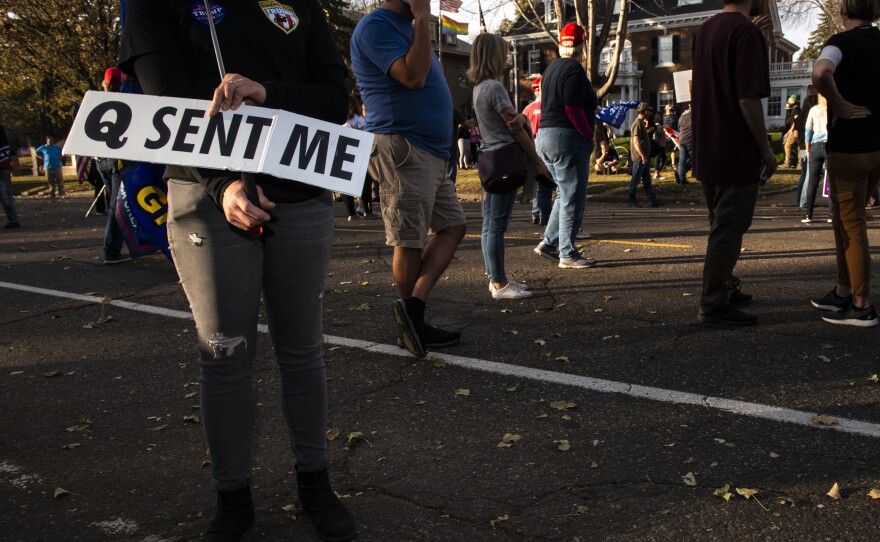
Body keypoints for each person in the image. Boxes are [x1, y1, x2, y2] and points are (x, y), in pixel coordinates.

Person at [119, 2, 357, 541]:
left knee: (303, 349)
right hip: (206, 196)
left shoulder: (300, 5)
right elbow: (166, 105)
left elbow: (334, 100)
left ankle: (315, 483)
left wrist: (265, 91)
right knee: (224, 352)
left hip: (300, 191)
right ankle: (233, 498)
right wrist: (223, 181)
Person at [351, 0, 468, 358]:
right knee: (410, 239)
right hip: (402, 146)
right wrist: (421, 19)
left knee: (453, 225)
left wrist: (419, 23)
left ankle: (413, 310)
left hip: (430, 151)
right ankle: (411, 324)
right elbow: (413, 77)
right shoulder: (376, 27)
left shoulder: (411, 28)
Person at [692, 0, 776, 326]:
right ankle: (713, 304)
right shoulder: (746, 33)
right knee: (728, 230)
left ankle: (726, 286)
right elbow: (747, 97)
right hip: (734, 148)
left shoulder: (705, 30)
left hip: (706, 146)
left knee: (723, 226)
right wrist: (765, 149)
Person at [809, 0, 880, 327]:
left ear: (844, 11)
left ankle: (862, 304)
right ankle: (842, 291)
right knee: (843, 220)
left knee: (852, 225)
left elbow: (821, 72)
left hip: (851, 146)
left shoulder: (840, 43)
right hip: (877, 146)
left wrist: (840, 104)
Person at [469, 32, 549, 300]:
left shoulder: (479, 88)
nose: (506, 58)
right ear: (493, 55)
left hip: (490, 159)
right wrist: (537, 160)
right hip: (504, 157)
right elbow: (515, 127)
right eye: (503, 53)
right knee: (497, 225)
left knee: (489, 224)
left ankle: (496, 278)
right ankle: (500, 284)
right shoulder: (494, 87)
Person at [532, 22, 598, 269]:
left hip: (545, 136)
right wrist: (587, 133)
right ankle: (568, 254)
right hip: (567, 138)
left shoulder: (551, 69)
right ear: (582, 44)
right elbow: (572, 108)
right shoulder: (574, 70)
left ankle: (549, 242)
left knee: (563, 193)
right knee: (573, 196)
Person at [95, 67, 132, 265]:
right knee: (118, 206)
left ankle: (122, 245)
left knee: (114, 205)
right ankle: (111, 251)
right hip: (118, 159)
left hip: (101, 160)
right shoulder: (126, 101)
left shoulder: (97, 103)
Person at [341, 96, 378, 221]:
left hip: (344, 154)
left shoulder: (341, 120)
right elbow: (366, 135)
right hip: (359, 153)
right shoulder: (358, 119)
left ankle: (351, 213)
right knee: (365, 182)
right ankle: (367, 210)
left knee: (345, 184)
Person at [523, 75, 552, 225]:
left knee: (537, 182)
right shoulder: (550, 105)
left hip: (531, 144)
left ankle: (536, 213)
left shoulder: (527, 109)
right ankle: (546, 217)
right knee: (546, 183)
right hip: (547, 143)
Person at [627, 103, 662, 208]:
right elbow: (636, 142)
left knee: (647, 180)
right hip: (639, 158)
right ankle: (631, 200)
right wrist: (642, 155)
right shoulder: (637, 124)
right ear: (645, 111)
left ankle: (651, 200)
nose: (649, 113)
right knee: (636, 179)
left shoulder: (641, 123)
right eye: (648, 111)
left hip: (644, 157)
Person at [801, 94, 829, 224]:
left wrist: (807, 149)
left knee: (812, 181)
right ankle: (831, 214)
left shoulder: (814, 109)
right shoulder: (833, 107)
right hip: (830, 145)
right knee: (831, 181)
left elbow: (808, 130)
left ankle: (808, 215)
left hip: (816, 145)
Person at [795, 93, 819, 207]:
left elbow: (795, 134)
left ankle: (799, 199)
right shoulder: (814, 115)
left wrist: (800, 143)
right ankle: (804, 201)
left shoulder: (799, 117)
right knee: (810, 175)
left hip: (802, 147)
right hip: (811, 145)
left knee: (804, 174)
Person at [0, 122, 20, 228]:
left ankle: (13, 219)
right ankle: (12, 218)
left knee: (4, 195)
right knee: (5, 195)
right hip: (4, 164)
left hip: (2, 166)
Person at [782, 95, 801, 168]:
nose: (788, 102)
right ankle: (799, 163)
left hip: (794, 131)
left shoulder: (796, 109)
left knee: (787, 145)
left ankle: (787, 162)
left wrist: (791, 129)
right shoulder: (794, 109)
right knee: (797, 146)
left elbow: (796, 120)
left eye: (789, 101)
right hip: (795, 130)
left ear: (793, 101)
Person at [676, 103, 692, 184]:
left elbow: (678, 126)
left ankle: (681, 178)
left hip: (682, 139)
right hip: (690, 139)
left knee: (682, 160)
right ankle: (680, 174)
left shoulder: (682, 115)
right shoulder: (695, 115)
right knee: (695, 159)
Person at [663, 104, 679, 170]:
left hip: (673, 134)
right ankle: (664, 164)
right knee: (664, 150)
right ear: (666, 108)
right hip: (665, 135)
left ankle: (673, 164)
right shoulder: (663, 116)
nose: (670, 107)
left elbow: (677, 125)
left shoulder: (674, 116)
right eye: (668, 106)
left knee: (673, 150)